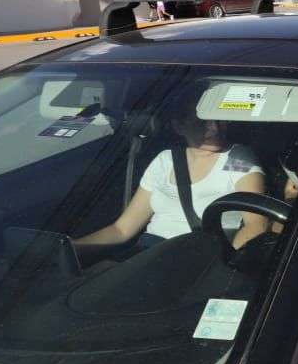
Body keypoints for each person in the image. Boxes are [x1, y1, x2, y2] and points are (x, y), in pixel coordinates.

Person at [77, 88, 267, 249]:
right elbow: (122, 230)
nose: (215, 128)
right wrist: (73, 247)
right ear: (179, 127)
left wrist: (224, 265)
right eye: (202, 122)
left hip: (202, 258)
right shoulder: (165, 160)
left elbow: (256, 225)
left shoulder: (236, 159)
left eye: (218, 119)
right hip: (149, 252)